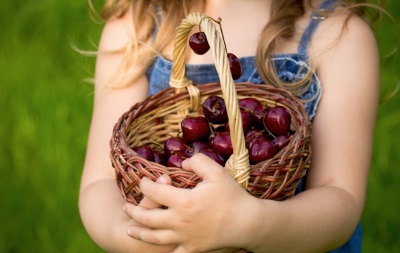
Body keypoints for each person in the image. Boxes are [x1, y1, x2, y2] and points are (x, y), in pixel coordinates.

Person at [79, 0, 383, 252]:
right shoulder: (137, 26)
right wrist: (145, 237)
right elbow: (100, 182)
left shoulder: (338, 37)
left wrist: (249, 223)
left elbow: (340, 199)